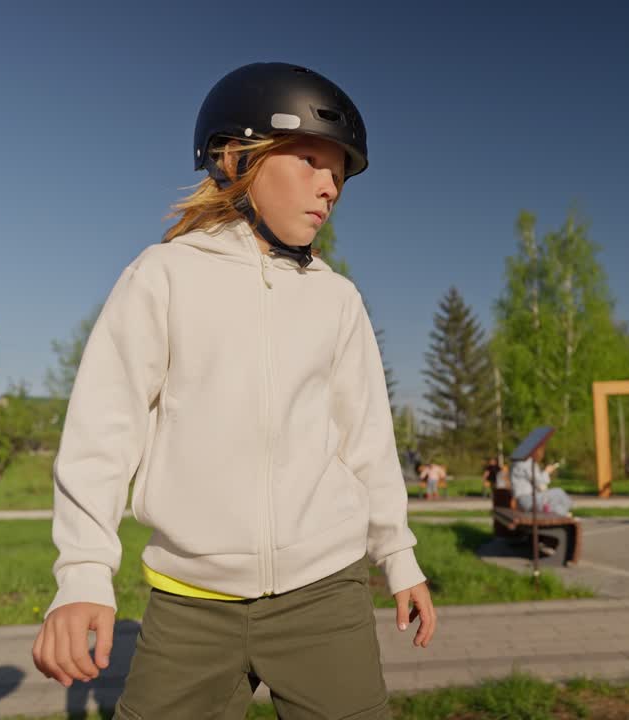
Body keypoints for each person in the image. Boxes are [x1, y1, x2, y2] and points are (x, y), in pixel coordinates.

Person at [30, 62, 435, 720]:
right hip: (191, 604)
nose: (329, 186)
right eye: (309, 160)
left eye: (338, 173)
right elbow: (104, 431)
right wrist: (81, 576)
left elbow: (365, 439)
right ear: (235, 157)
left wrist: (400, 557)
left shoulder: (336, 299)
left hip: (324, 596)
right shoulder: (162, 277)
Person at [510, 446, 573, 516]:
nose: (542, 455)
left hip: (525, 500)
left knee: (556, 508)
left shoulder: (519, 462)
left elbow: (536, 482)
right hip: (528, 500)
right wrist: (547, 471)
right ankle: (568, 512)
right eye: (541, 452)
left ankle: (566, 516)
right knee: (559, 492)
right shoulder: (525, 462)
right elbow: (539, 481)